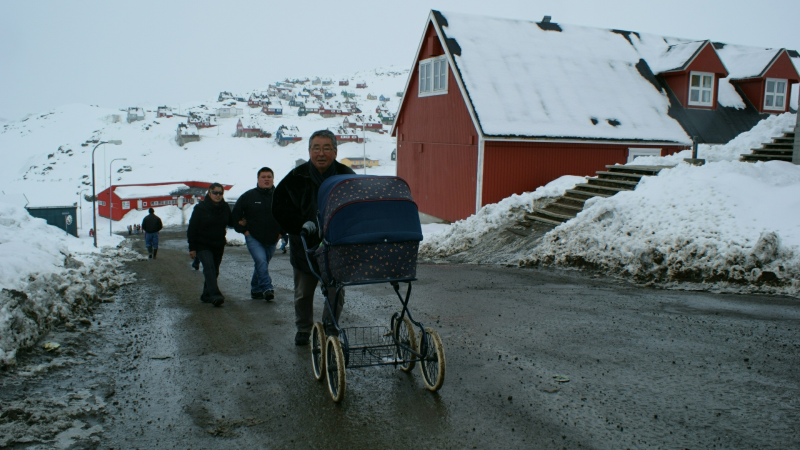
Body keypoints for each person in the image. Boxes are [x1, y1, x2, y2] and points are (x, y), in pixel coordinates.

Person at [273, 129, 355, 345]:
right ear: (309, 151)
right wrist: (300, 225)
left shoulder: (346, 176)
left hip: (336, 248)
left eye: (326, 148)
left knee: (335, 292)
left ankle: (330, 328)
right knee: (303, 293)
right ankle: (303, 329)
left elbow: (356, 208)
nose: (321, 153)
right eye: (316, 148)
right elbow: (279, 207)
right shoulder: (295, 177)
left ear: (335, 152)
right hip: (304, 249)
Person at [231, 167, 283, 301]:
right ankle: (267, 288)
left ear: (273, 178)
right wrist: (244, 230)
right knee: (261, 261)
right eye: (263, 177)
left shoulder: (280, 196)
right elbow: (235, 215)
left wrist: (282, 233)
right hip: (253, 237)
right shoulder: (248, 196)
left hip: (272, 238)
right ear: (258, 179)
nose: (266, 179)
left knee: (262, 263)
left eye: (269, 176)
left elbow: (287, 215)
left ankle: (255, 289)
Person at [187, 183, 234, 307]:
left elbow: (231, 221)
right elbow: (192, 228)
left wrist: (243, 223)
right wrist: (192, 247)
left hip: (218, 244)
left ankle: (205, 295)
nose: (218, 195)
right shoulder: (200, 208)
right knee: (209, 268)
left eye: (220, 193)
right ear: (209, 193)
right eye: (215, 193)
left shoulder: (224, 207)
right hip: (203, 244)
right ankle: (215, 295)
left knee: (215, 271)